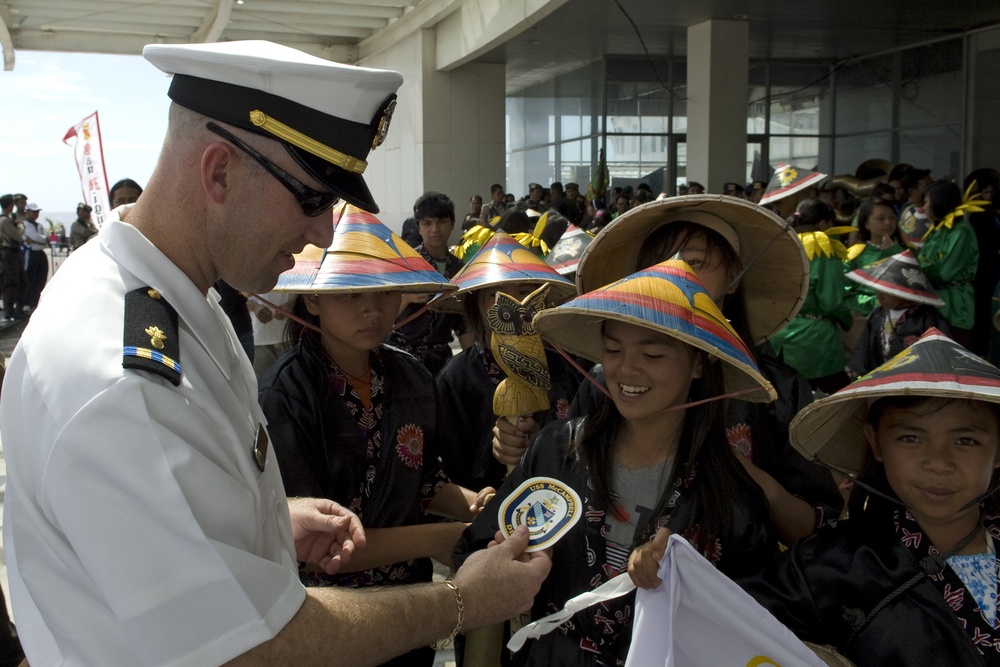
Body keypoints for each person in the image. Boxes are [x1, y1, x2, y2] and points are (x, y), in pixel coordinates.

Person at [0, 39, 549, 666]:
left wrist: (264, 523)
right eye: (313, 200)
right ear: (219, 172)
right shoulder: (123, 381)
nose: (323, 233)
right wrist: (461, 601)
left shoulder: (169, 295)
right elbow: (253, 649)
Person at [456, 259, 778, 666]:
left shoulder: (732, 498)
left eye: (653, 353)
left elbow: (752, 620)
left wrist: (687, 576)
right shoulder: (558, 449)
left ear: (699, 363)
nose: (626, 368)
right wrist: (512, 561)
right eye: (612, 349)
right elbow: (478, 548)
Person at [641, 329, 1000, 666]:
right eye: (910, 438)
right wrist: (666, 569)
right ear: (876, 443)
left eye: (965, 441)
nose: (938, 463)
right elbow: (715, 616)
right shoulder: (834, 566)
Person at [535, 195, 843, 545]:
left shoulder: (777, 391)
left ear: (734, 277)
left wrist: (748, 479)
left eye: (695, 261)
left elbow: (815, 530)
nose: (675, 275)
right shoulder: (608, 380)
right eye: (659, 263)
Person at [259, 206, 492, 667]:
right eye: (350, 295)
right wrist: (438, 540)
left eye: (385, 292)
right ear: (312, 300)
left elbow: (421, 479)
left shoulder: (413, 377)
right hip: (329, 615)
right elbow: (319, 546)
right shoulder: (285, 393)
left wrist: (474, 505)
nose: (372, 309)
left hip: (410, 603)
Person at [431, 229, 579, 491]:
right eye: (496, 296)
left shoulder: (565, 367)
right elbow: (448, 468)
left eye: (524, 291)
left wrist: (540, 444)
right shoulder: (455, 378)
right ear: (475, 304)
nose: (515, 303)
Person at [770, 199, 853, 394]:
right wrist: (847, 320)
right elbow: (831, 301)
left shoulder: (781, 242)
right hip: (816, 341)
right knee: (836, 405)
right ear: (824, 223)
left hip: (779, 334)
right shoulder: (822, 245)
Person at [388, 191, 473, 376]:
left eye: (442, 221)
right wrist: (406, 298)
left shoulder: (460, 269)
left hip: (441, 359)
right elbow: (382, 315)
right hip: (403, 356)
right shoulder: (406, 264)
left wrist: (471, 363)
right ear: (418, 227)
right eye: (427, 223)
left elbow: (463, 324)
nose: (435, 229)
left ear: (452, 224)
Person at [846, 249, 951, 377]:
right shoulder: (878, 315)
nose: (880, 298)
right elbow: (863, 350)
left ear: (904, 292)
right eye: (878, 292)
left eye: (886, 292)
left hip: (915, 381)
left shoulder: (929, 318)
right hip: (881, 380)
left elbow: (942, 355)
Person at [917, 179, 983, 349]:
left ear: (939, 201)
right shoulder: (936, 230)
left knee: (953, 360)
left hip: (955, 306)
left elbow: (944, 272)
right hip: (933, 303)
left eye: (926, 201)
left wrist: (916, 269)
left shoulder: (961, 231)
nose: (922, 208)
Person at [0, 193, 26, 321]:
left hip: (11, 253)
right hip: (9, 253)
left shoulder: (7, 219)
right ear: (10, 205)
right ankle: (9, 311)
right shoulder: (4, 220)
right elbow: (17, 235)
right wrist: (21, 226)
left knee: (18, 281)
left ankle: (13, 310)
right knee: (11, 282)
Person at [20, 202, 49, 313]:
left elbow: (42, 239)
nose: (36, 214)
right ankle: (28, 303)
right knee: (30, 278)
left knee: (41, 279)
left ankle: (36, 302)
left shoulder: (39, 225)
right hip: (30, 253)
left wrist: (38, 240)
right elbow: (35, 237)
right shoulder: (25, 224)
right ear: (27, 212)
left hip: (39, 252)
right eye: (34, 212)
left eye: (37, 212)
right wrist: (40, 239)